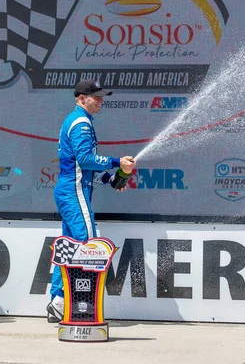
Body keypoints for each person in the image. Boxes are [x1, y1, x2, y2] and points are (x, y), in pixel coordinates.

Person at [46, 79, 136, 322]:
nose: (101, 100)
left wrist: (111, 179)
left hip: (72, 189)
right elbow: (85, 160)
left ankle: (58, 301)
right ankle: (73, 302)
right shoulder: (81, 123)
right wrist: (118, 162)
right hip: (73, 191)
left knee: (69, 245)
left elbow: (84, 165)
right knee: (85, 243)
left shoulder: (80, 121)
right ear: (80, 98)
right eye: (95, 96)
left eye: (101, 96)